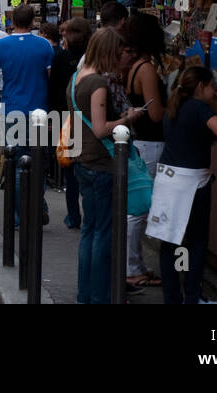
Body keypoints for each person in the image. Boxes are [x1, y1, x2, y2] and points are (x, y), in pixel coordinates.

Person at [71, 28, 144, 304]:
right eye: (117, 53)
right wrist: (129, 117)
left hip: (83, 160)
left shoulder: (77, 77)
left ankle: (86, 294)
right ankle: (100, 296)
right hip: (101, 162)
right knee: (103, 233)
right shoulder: (99, 83)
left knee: (90, 231)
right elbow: (101, 129)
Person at [152, 65, 217, 304]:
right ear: (200, 87)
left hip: (167, 180)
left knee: (171, 241)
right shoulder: (198, 107)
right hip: (191, 184)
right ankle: (192, 296)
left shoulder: (174, 108)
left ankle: (173, 297)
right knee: (195, 242)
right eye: (212, 87)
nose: (215, 91)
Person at [0, 3, 54, 222]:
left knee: (15, 163)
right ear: (33, 21)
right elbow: (51, 79)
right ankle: (36, 205)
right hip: (39, 111)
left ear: (12, 21)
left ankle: (18, 214)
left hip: (12, 109)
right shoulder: (45, 45)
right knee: (39, 160)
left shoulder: (0, 45)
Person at [122, 11, 167, 293]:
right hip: (149, 143)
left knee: (135, 208)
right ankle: (132, 269)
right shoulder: (146, 68)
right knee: (138, 210)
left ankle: (132, 267)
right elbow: (156, 113)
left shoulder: (133, 65)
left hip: (141, 142)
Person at [50, 17, 90, 229]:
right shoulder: (92, 59)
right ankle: (88, 213)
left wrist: (53, 117)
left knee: (69, 168)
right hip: (87, 119)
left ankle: (73, 215)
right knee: (87, 166)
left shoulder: (60, 58)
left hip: (65, 119)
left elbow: (54, 90)